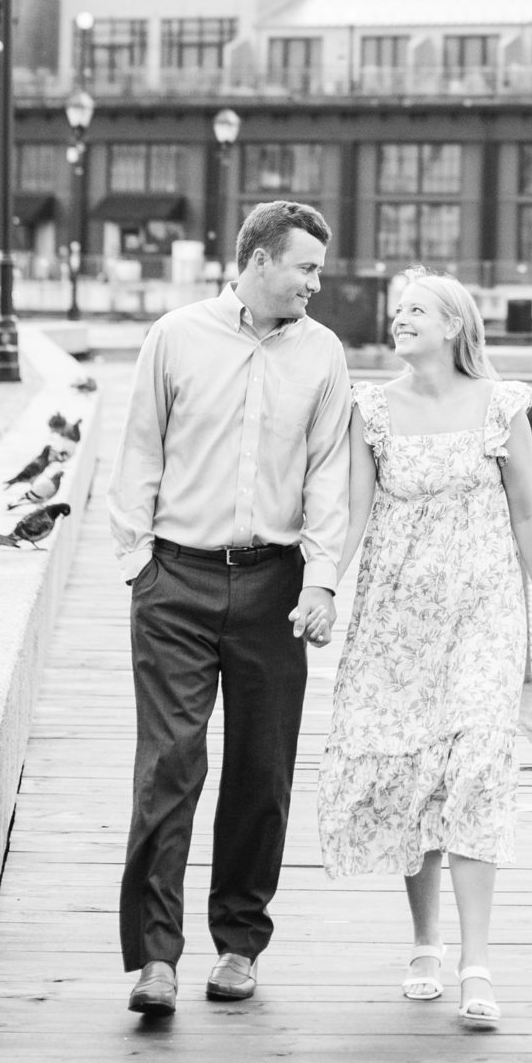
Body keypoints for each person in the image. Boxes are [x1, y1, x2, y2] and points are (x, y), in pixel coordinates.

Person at [109, 198, 350, 1015]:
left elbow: (328, 472)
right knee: (169, 765)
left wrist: (320, 579)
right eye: (305, 267)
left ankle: (240, 946)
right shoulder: (175, 336)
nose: (316, 284)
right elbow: (139, 445)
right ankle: (155, 960)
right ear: (255, 259)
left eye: (318, 269)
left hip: (274, 584)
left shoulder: (323, 354)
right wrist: (137, 561)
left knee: (261, 771)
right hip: (174, 577)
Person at [317, 268, 532, 1030]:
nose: (400, 320)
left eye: (416, 310)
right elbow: (354, 514)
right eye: (398, 312)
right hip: (396, 620)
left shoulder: (501, 407)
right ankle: (425, 940)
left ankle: (476, 959)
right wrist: (321, 585)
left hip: (484, 613)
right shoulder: (371, 410)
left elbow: (527, 518)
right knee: (413, 767)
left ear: (454, 325)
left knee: (478, 765)